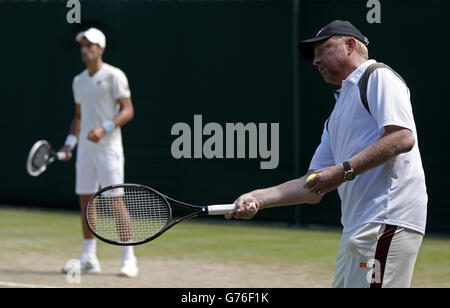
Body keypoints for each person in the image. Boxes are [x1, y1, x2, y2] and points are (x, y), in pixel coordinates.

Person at [226, 20, 427, 288]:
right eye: (314, 54)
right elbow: (312, 186)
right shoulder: (335, 115)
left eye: (324, 49)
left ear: (350, 45)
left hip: (385, 221)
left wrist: (343, 171)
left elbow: (402, 137)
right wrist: (257, 198)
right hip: (357, 230)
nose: (315, 60)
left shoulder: (377, 76)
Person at [59, 28, 138, 277]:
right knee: (85, 202)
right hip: (85, 151)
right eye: (82, 46)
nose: (85, 49)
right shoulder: (78, 81)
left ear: (101, 49)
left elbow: (127, 110)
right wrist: (70, 143)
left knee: (114, 201)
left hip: (109, 150)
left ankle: (129, 258)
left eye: (90, 45)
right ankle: (89, 257)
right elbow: (79, 117)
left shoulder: (115, 75)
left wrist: (104, 129)